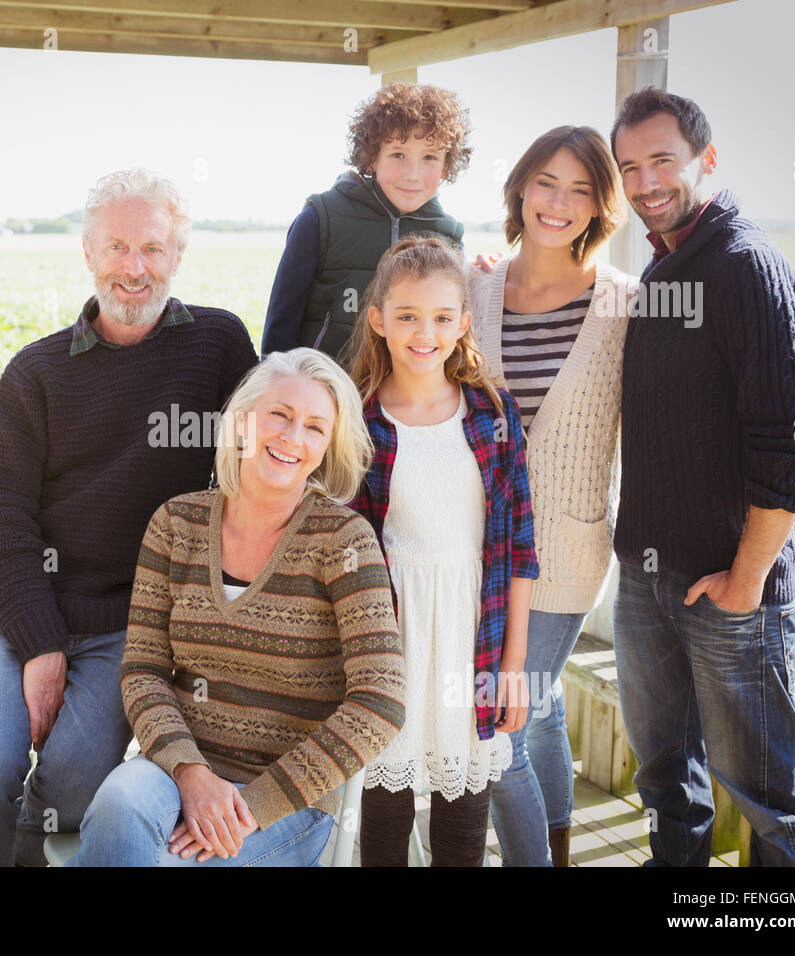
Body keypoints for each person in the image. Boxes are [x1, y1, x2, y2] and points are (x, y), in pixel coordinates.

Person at [0, 169, 258, 866]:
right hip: (14, 606)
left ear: (177, 256)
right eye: (116, 247)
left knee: (75, 786)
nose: (134, 269)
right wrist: (42, 643)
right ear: (87, 252)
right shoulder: (37, 372)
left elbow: (264, 463)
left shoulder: (218, 346)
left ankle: (20, 853)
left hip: (127, 620)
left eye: (152, 249)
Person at [68, 348, 407, 866]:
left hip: (290, 804)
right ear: (244, 421)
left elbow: (380, 702)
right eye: (281, 415)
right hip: (175, 772)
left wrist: (252, 805)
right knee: (117, 809)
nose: (293, 438)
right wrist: (191, 774)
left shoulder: (344, 541)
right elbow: (143, 672)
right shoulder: (175, 525)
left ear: (327, 447)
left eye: (316, 428)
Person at [610, 88, 795, 866]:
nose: (644, 183)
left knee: (768, 797)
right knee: (667, 777)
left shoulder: (744, 265)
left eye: (661, 161)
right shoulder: (666, 264)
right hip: (647, 579)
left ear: (707, 159)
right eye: (629, 167)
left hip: (732, 589)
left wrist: (745, 580)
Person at [468, 126, 635, 867]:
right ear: (520, 189)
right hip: (475, 544)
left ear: (601, 204)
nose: (559, 202)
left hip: (565, 551)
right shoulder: (471, 290)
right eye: (546, 182)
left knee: (500, 726)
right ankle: (561, 844)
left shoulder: (627, 305)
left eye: (580, 189)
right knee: (537, 714)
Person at [345, 236, 538, 866]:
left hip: (472, 636)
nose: (423, 333)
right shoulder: (362, 421)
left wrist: (512, 664)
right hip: (391, 636)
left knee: (463, 826)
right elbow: (344, 550)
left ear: (462, 322)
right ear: (378, 320)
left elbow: (519, 546)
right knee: (385, 820)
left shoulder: (491, 413)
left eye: (440, 317)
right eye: (406, 316)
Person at [261, 83, 471, 364]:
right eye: (398, 154)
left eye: (430, 157)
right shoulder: (320, 219)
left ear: (447, 165)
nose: (413, 174)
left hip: (403, 403)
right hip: (325, 394)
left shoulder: (450, 238)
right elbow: (281, 322)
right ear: (373, 157)